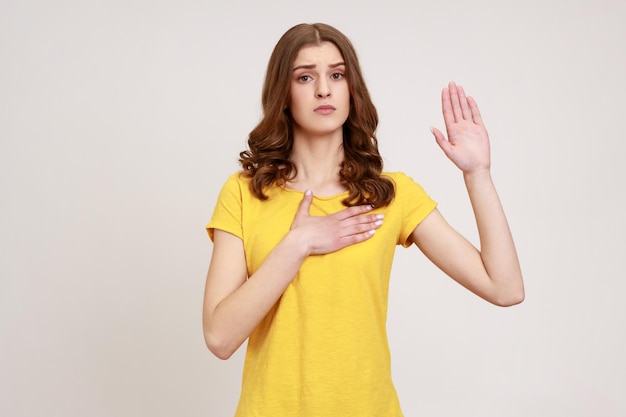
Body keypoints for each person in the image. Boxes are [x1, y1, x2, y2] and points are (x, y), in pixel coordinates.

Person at [202, 22, 524, 417]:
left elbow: (504, 288)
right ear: (283, 95)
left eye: (337, 75)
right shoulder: (244, 192)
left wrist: (478, 174)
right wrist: (298, 244)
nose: (324, 89)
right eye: (305, 77)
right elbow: (219, 337)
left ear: (352, 89)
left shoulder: (391, 195)